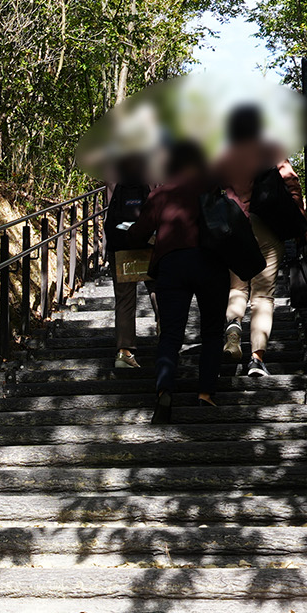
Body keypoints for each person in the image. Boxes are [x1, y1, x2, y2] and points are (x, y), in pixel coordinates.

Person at [124, 139, 223, 423]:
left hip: (172, 266)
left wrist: (128, 236)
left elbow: (138, 234)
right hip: (210, 264)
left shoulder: (160, 195)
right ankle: (206, 394)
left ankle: (164, 389)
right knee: (213, 332)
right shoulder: (211, 189)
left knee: (170, 333)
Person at [209, 103, 305, 379]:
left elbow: (208, 189)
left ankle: (234, 325)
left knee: (237, 286)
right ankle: (256, 359)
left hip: (232, 228)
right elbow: (291, 183)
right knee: (263, 295)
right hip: (265, 226)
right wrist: (299, 219)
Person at [102, 154, 151, 371]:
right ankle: (167, 340)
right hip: (149, 240)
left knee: (124, 299)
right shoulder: (152, 163)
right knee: (158, 289)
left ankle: (124, 351)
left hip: (120, 242)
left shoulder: (112, 165)